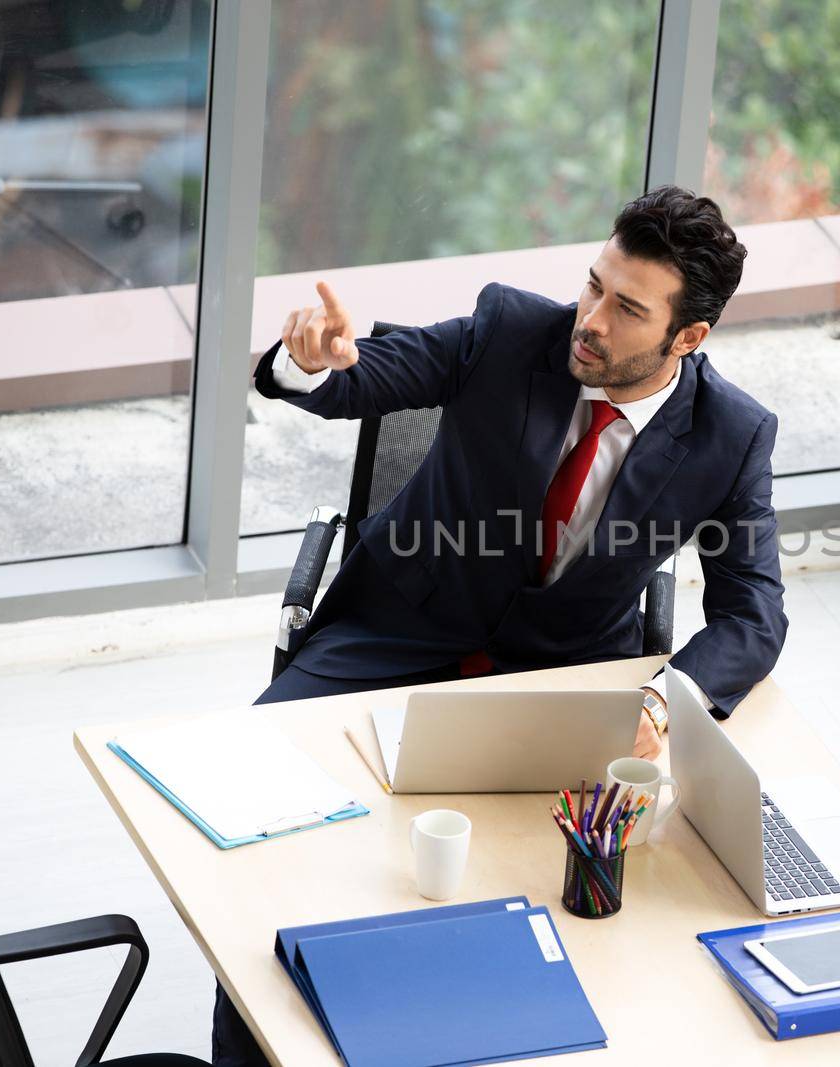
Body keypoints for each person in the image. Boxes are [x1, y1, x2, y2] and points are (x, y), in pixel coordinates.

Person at [212, 186, 788, 1066]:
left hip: (553, 687)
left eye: (626, 308)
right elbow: (373, 372)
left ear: (688, 338)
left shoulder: (731, 434)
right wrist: (317, 363)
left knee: (541, 899)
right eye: (593, 284)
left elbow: (754, 611)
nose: (589, 319)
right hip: (392, 637)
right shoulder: (513, 328)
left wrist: (667, 698)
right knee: (250, 823)